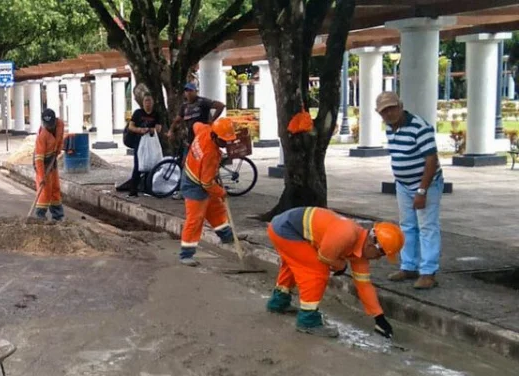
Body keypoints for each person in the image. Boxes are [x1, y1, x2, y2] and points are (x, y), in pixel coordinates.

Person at [266, 207, 405, 339]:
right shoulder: (347, 233)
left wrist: (379, 318)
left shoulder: (361, 253)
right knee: (316, 271)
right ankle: (308, 321)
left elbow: (364, 286)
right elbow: (324, 257)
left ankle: (278, 302)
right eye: (381, 254)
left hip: (287, 228)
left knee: (296, 264)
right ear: (372, 245)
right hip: (285, 229)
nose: (379, 259)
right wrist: (341, 265)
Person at [377, 91, 443, 290]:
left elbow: (431, 160)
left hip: (426, 184)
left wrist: (422, 191)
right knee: (407, 226)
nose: (389, 113)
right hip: (403, 184)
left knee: (427, 227)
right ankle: (408, 266)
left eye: (392, 108)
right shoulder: (390, 128)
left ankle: (428, 272)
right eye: (384, 111)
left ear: (401, 106)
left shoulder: (420, 127)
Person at [178, 118, 237, 266]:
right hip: (195, 185)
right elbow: (207, 183)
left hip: (195, 175)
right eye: (223, 140)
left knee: (216, 209)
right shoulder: (210, 153)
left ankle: (227, 236)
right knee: (195, 219)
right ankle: (186, 254)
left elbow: (195, 125)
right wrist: (221, 192)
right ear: (214, 136)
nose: (226, 144)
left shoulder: (204, 130)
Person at [123, 93, 163, 198]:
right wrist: (139, 130)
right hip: (139, 142)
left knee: (151, 164)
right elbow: (131, 126)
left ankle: (148, 189)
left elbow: (159, 128)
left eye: (149, 101)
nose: (148, 103)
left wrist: (151, 130)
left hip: (151, 143)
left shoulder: (156, 114)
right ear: (143, 102)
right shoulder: (138, 113)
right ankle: (133, 190)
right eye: (146, 101)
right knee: (138, 165)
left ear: (152, 102)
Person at [171, 82, 225, 151]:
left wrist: (212, 121)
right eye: (186, 91)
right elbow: (177, 120)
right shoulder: (184, 106)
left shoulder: (202, 101)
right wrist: (171, 131)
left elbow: (220, 106)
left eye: (191, 90)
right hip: (191, 139)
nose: (188, 93)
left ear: (196, 92)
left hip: (203, 138)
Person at [34, 108, 66, 221]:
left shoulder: (60, 124)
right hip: (42, 161)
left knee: (55, 187)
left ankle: (57, 216)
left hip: (52, 157)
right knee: (45, 189)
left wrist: (58, 150)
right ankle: (40, 215)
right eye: (47, 125)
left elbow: (60, 138)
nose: (49, 127)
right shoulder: (42, 135)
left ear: (55, 121)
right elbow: (39, 159)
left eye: (51, 125)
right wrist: (42, 176)